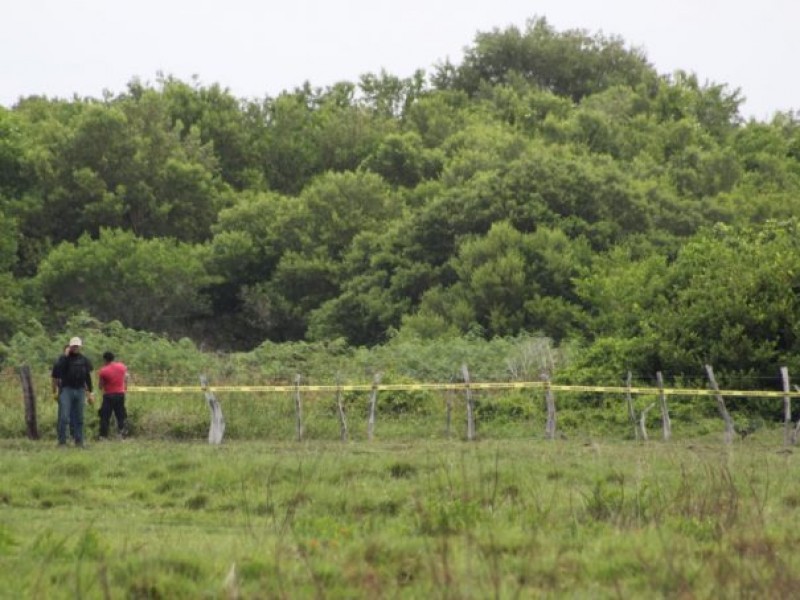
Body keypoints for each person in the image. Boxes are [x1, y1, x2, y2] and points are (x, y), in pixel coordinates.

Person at [52, 336, 94, 447]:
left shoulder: (84, 359)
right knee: (64, 417)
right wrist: (65, 356)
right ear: (70, 346)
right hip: (66, 390)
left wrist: (90, 392)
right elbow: (57, 372)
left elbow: (88, 377)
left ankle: (79, 441)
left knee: (79, 417)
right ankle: (62, 442)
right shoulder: (63, 359)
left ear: (80, 346)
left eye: (77, 345)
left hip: (80, 390)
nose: (75, 347)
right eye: (73, 345)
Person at [97, 351, 129, 439]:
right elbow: (126, 377)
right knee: (121, 415)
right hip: (120, 394)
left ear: (105, 359)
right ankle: (122, 434)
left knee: (105, 416)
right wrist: (124, 386)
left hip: (109, 395)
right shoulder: (122, 366)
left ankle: (103, 436)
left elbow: (100, 386)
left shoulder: (103, 370)